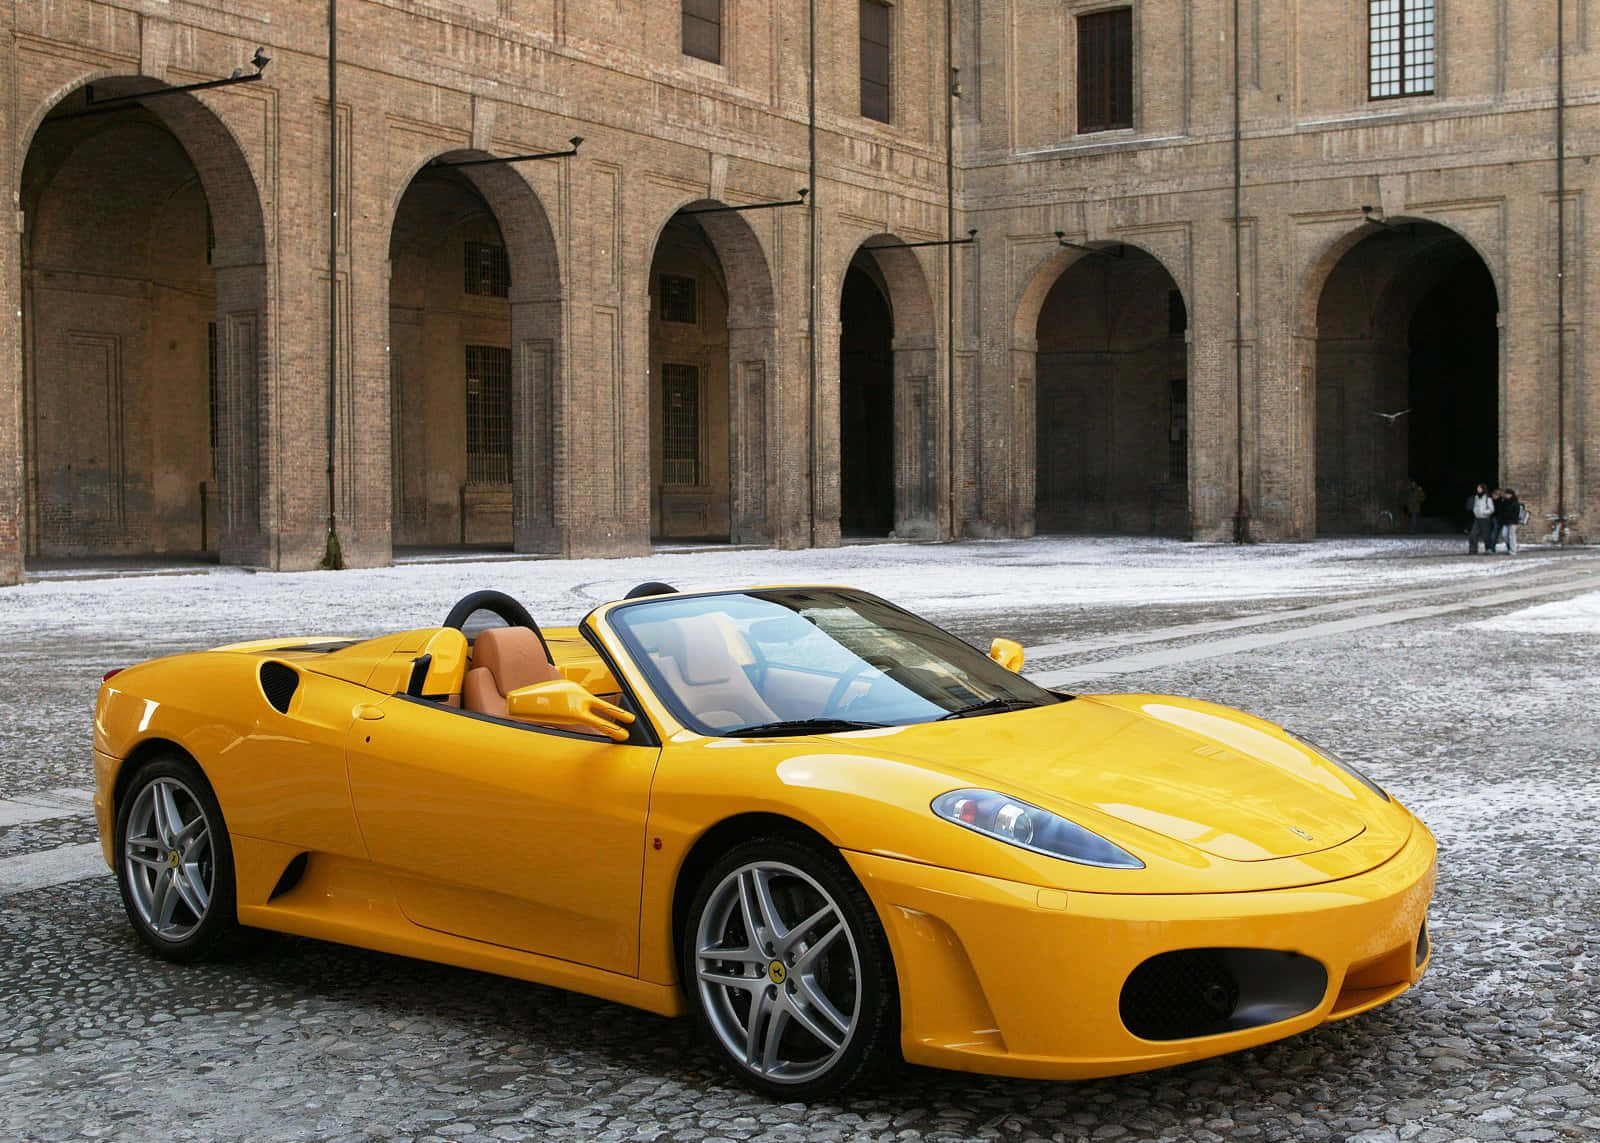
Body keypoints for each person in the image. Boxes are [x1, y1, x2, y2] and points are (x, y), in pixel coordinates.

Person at [1467, 483, 1495, 554]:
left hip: (1485, 518)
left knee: (1486, 535)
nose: (1478, 489)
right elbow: (1475, 506)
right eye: (1477, 488)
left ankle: (1488, 549)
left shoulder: (1488, 498)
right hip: (1477, 518)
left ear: (1483, 489)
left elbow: (1491, 509)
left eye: (1479, 488)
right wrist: (1475, 512)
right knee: (1473, 534)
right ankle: (1473, 550)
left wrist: (1484, 512)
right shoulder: (1476, 497)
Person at [1495, 487, 1522, 555]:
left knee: (1511, 535)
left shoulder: (1515, 502)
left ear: (1511, 495)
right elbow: (1502, 511)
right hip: (1505, 521)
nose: (1506, 495)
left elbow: (1516, 512)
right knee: (1504, 535)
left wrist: (1513, 518)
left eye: (1508, 494)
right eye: (1506, 494)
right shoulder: (1504, 502)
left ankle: (1513, 550)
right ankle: (1511, 547)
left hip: (1512, 521)